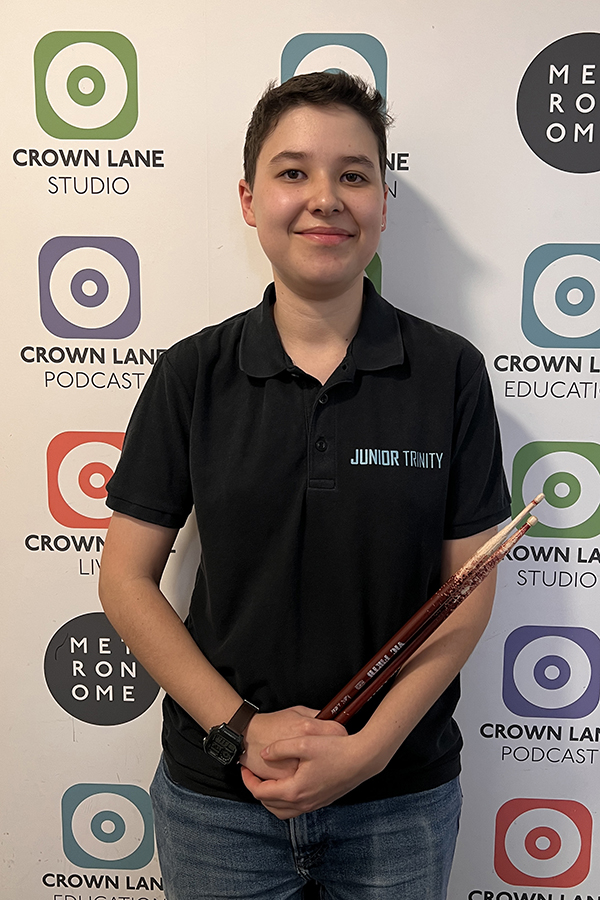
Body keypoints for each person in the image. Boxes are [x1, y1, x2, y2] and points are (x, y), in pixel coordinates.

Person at [99, 72, 510, 900]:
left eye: (354, 175)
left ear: (383, 203)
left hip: (399, 800)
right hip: (221, 804)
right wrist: (241, 731)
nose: (326, 198)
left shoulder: (451, 375)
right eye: (294, 173)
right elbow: (125, 580)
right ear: (250, 200)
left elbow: (466, 591)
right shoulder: (191, 374)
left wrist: (369, 748)